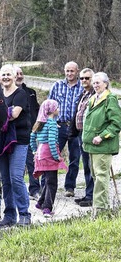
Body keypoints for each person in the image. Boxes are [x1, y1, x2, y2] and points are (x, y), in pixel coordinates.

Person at [0, 65, 31, 228]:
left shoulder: (20, 94)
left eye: (9, 74)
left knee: (16, 177)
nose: (6, 77)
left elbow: (14, 114)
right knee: (5, 180)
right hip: (1, 140)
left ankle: (24, 214)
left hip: (19, 140)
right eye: (4, 75)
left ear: (15, 77)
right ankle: (9, 216)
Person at [82, 72, 121, 214]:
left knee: (101, 177)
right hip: (91, 146)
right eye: (94, 82)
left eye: (98, 82)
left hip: (103, 146)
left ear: (106, 83)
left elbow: (116, 124)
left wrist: (102, 136)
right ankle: (98, 207)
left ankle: (100, 210)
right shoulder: (93, 98)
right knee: (95, 177)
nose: (95, 85)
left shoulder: (110, 99)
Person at [48, 61, 83, 198]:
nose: (69, 74)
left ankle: (70, 186)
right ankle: (48, 186)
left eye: (72, 71)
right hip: (59, 125)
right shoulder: (57, 85)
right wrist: (50, 123)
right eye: (67, 71)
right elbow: (48, 105)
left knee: (75, 157)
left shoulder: (82, 87)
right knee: (52, 156)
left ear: (77, 71)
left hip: (75, 126)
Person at [30, 99, 65, 218]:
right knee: (52, 182)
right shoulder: (52, 124)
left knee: (48, 180)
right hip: (49, 155)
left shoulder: (40, 123)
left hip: (40, 154)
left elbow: (32, 137)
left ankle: (40, 202)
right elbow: (51, 141)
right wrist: (57, 157)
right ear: (52, 110)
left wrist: (35, 150)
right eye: (57, 108)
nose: (59, 110)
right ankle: (47, 208)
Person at [15, 66, 41, 200]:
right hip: (13, 135)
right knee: (16, 166)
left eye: (21, 73)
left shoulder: (31, 92)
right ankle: (17, 192)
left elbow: (37, 111)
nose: (19, 76)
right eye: (16, 74)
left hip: (30, 134)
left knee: (33, 162)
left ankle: (35, 189)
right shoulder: (6, 92)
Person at [70, 68, 95, 207]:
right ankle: (88, 194)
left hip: (90, 135)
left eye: (87, 78)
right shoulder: (83, 93)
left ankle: (91, 196)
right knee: (85, 165)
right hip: (81, 134)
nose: (84, 81)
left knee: (91, 166)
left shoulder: (95, 94)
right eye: (82, 78)